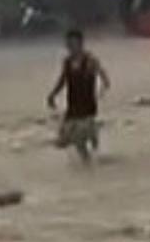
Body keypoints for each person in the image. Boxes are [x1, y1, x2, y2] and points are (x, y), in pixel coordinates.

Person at [47, 28, 110, 163]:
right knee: (63, 139)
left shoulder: (90, 60)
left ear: (80, 43)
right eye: (68, 44)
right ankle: (89, 158)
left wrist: (103, 89)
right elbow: (63, 80)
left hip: (87, 105)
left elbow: (103, 76)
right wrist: (52, 95)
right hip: (73, 105)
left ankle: (91, 160)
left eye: (73, 44)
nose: (70, 47)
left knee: (80, 137)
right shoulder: (67, 62)